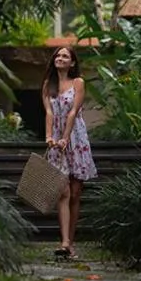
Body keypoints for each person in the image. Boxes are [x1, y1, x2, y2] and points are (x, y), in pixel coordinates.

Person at [41, 45, 97, 259]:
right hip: (56, 140)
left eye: (65, 56)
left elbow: (73, 112)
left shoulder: (78, 83)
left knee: (75, 193)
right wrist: (49, 136)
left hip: (76, 138)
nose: (60, 58)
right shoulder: (48, 84)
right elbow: (48, 112)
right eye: (58, 55)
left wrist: (66, 137)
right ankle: (64, 242)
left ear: (72, 62)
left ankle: (70, 242)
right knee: (62, 191)